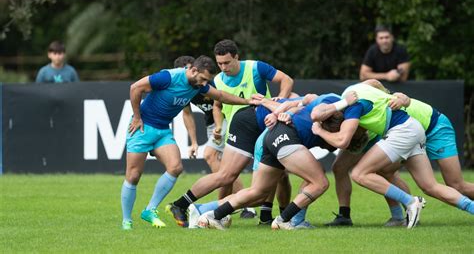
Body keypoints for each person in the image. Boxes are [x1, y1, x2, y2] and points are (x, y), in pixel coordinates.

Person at [120, 55, 262, 230]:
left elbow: (220, 95)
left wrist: (247, 101)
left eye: (207, 81)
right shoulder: (168, 77)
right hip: (142, 128)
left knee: (175, 168)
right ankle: (127, 221)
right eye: (203, 79)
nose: (204, 84)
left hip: (162, 130)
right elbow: (136, 87)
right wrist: (136, 117)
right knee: (133, 176)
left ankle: (150, 209)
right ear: (193, 70)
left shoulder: (198, 86)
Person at [167, 39, 294, 226]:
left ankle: (275, 217)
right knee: (227, 176)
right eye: (219, 63)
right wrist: (218, 125)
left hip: (266, 126)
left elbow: (286, 80)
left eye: (227, 62)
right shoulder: (217, 80)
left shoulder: (255, 68)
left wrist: (279, 103)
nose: (223, 67)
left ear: (237, 57)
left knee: (280, 175)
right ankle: (184, 204)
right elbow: (217, 106)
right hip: (240, 129)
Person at [312, 83, 474, 229]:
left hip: (428, 126)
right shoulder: (354, 92)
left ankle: (410, 202)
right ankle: (400, 215)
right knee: (428, 186)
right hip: (413, 128)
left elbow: (340, 138)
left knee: (360, 174)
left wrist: (319, 130)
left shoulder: (353, 108)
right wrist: (390, 96)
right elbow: (373, 83)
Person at [196, 92, 359, 230]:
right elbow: (315, 110)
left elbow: (306, 101)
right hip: (286, 135)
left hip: (273, 135)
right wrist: (342, 106)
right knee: (320, 182)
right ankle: (284, 220)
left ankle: (213, 216)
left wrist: (280, 112)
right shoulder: (334, 102)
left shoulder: (319, 105)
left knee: (258, 192)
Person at [173, 56, 245, 198]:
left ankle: (232, 203)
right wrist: (193, 142)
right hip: (212, 124)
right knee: (225, 166)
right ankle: (235, 204)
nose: (188, 74)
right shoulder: (182, 86)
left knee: (210, 155)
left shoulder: (209, 82)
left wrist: (219, 126)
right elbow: (187, 114)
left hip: (227, 119)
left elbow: (221, 103)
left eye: (190, 70)